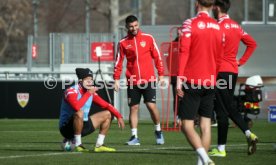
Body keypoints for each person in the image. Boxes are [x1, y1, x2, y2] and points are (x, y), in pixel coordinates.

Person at [176, 0, 223, 164]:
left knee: (186, 125)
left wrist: (179, 79)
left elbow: (184, 52)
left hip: (193, 80)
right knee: (205, 125)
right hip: (211, 81)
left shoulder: (189, 23)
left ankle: (205, 159)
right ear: (213, 6)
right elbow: (219, 57)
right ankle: (202, 163)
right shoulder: (218, 27)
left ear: (197, 4)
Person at [208, 0, 258, 157]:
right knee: (223, 108)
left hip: (220, 72)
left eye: (213, 7)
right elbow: (252, 44)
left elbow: (212, 50)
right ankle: (222, 148)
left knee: (225, 108)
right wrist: (240, 61)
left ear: (217, 7)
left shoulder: (217, 26)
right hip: (232, 71)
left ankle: (248, 134)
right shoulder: (236, 26)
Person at [113, 15, 165, 145]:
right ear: (127, 27)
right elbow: (118, 61)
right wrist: (116, 79)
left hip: (149, 79)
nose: (134, 28)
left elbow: (157, 57)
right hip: (133, 81)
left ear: (138, 25)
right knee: (134, 108)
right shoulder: (123, 43)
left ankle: (158, 130)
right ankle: (134, 136)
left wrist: (161, 74)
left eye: (136, 25)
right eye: (131, 26)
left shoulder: (148, 38)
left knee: (151, 105)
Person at [59, 68, 125, 152]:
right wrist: (89, 93)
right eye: (87, 79)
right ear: (80, 80)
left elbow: (107, 105)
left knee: (108, 113)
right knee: (79, 112)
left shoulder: (90, 92)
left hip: (83, 126)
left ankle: (99, 145)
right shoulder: (71, 91)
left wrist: (119, 116)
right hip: (67, 128)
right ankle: (78, 144)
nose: (90, 82)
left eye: (91, 79)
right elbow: (76, 107)